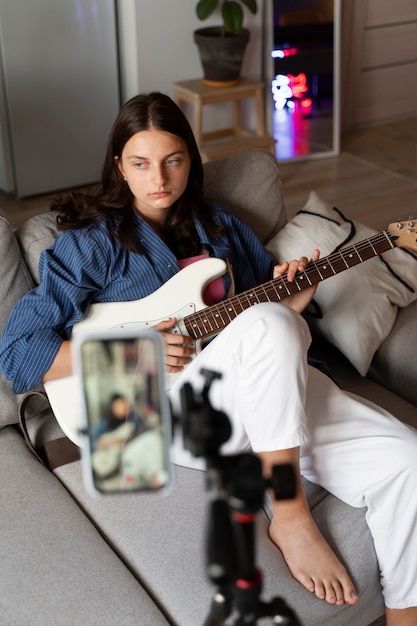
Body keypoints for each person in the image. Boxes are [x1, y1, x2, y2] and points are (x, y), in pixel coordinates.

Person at [0, 92, 416, 625]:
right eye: (141, 163)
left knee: (407, 458)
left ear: (190, 160)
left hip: (258, 398)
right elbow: (17, 354)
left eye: (173, 160)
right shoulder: (92, 244)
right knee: (267, 322)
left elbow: (264, 323)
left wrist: (290, 304)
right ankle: (288, 514)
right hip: (149, 409)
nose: (159, 179)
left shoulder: (220, 226)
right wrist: (132, 348)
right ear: (118, 167)